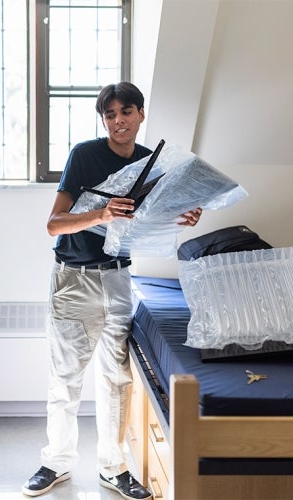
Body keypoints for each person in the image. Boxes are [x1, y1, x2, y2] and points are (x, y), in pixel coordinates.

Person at [22, 82, 202, 499]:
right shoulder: (84, 155)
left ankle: (113, 468)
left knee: (116, 379)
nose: (118, 121)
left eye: (126, 112)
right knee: (65, 379)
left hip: (120, 278)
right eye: (110, 115)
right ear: (104, 120)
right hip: (74, 279)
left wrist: (184, 216)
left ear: (141, 114)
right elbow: (55, 223)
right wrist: (101, 212)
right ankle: (56, 463)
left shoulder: (149, 162)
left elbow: (152, 222)